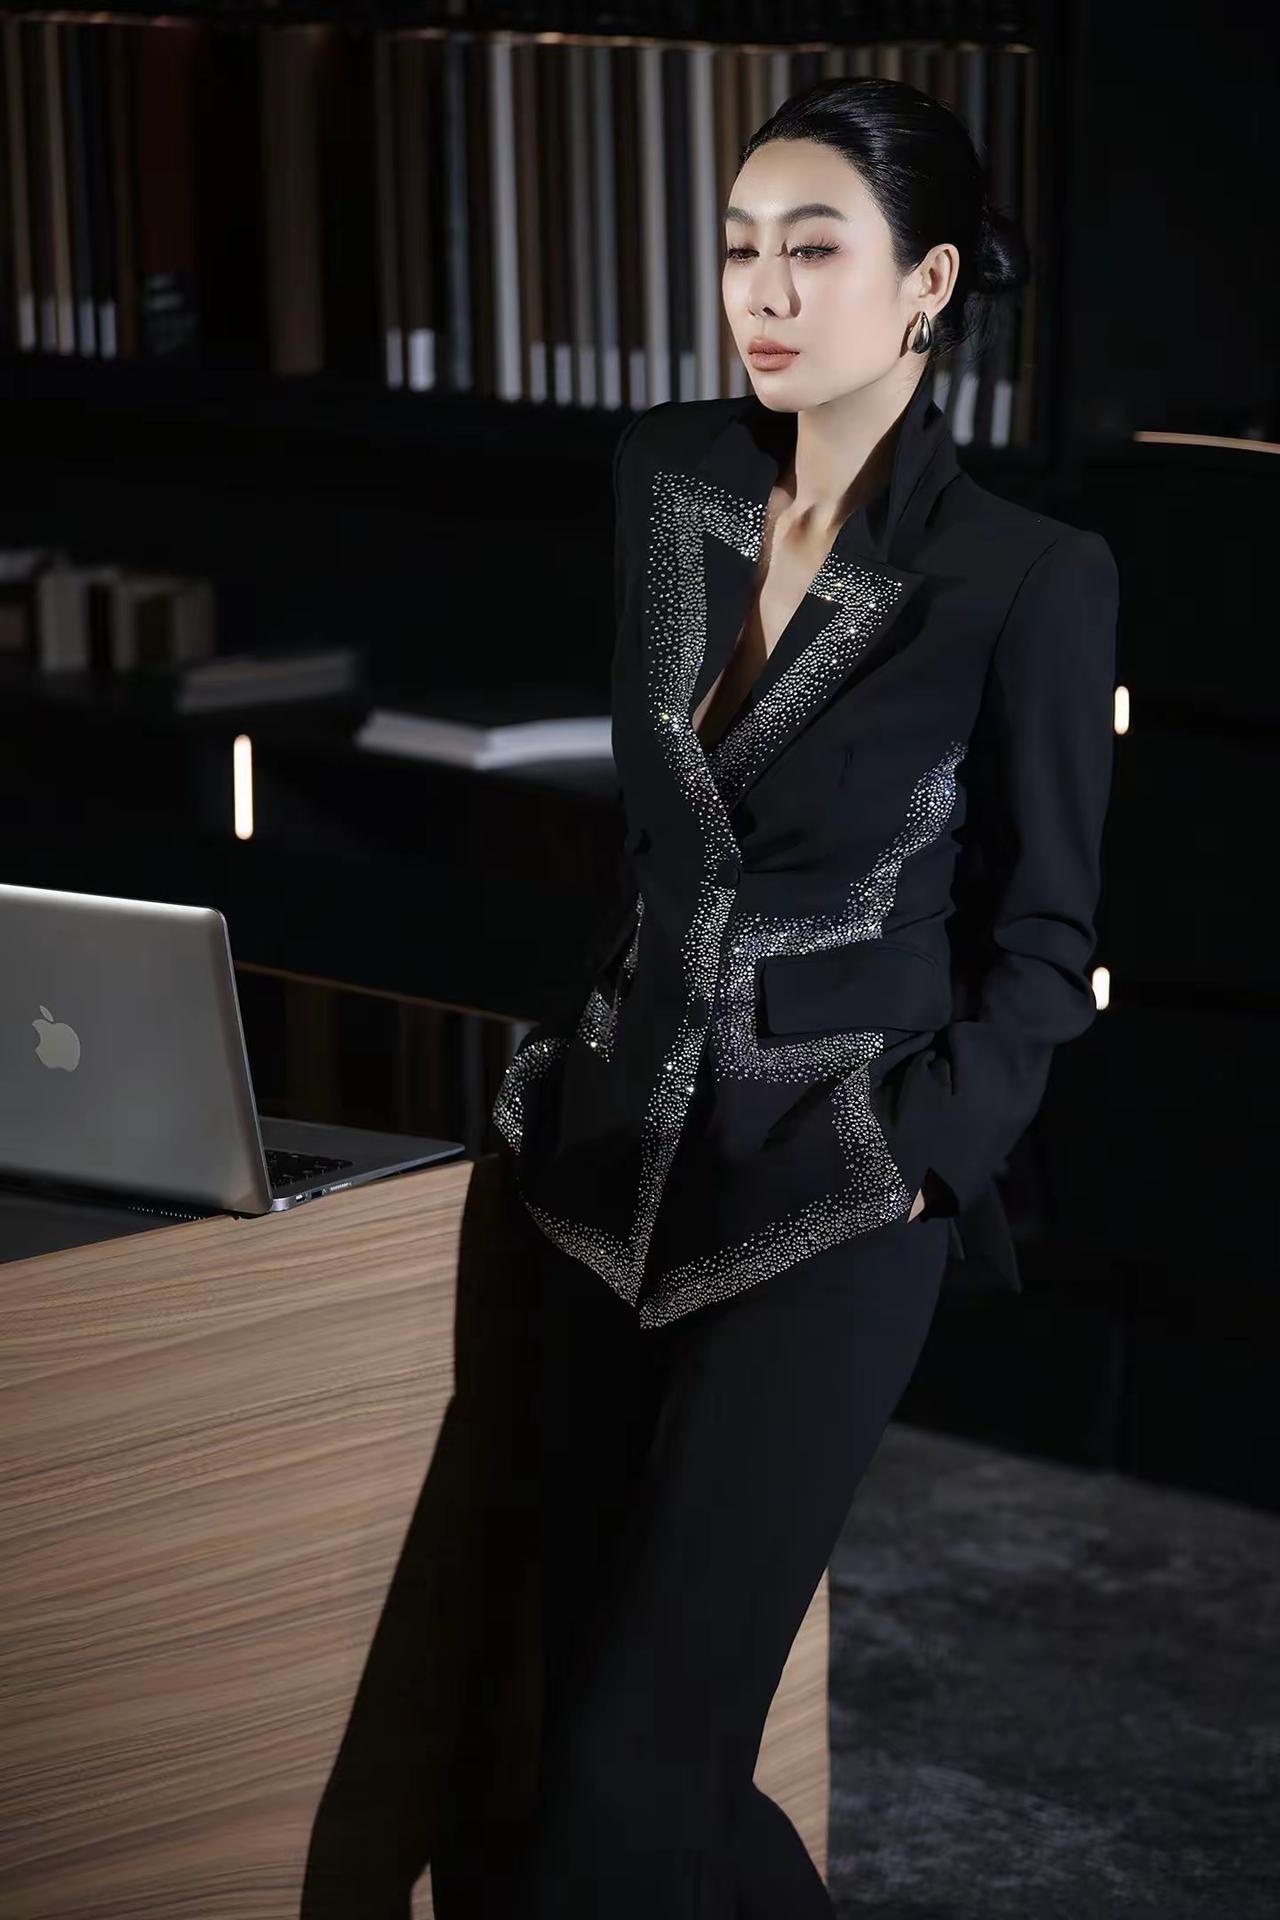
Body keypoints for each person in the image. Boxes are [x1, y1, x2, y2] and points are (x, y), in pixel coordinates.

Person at [485, 74, 1120, 1918]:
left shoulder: (1025, 576)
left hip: (831, 1192)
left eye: (814, 249)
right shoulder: (665, 478)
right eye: (739, 246)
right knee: (602, 1763)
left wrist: (918, 1158)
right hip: (601, 1175)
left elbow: (1049, 938)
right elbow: (654, 840)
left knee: (624, 1787)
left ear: (927, 283)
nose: (760, 291)